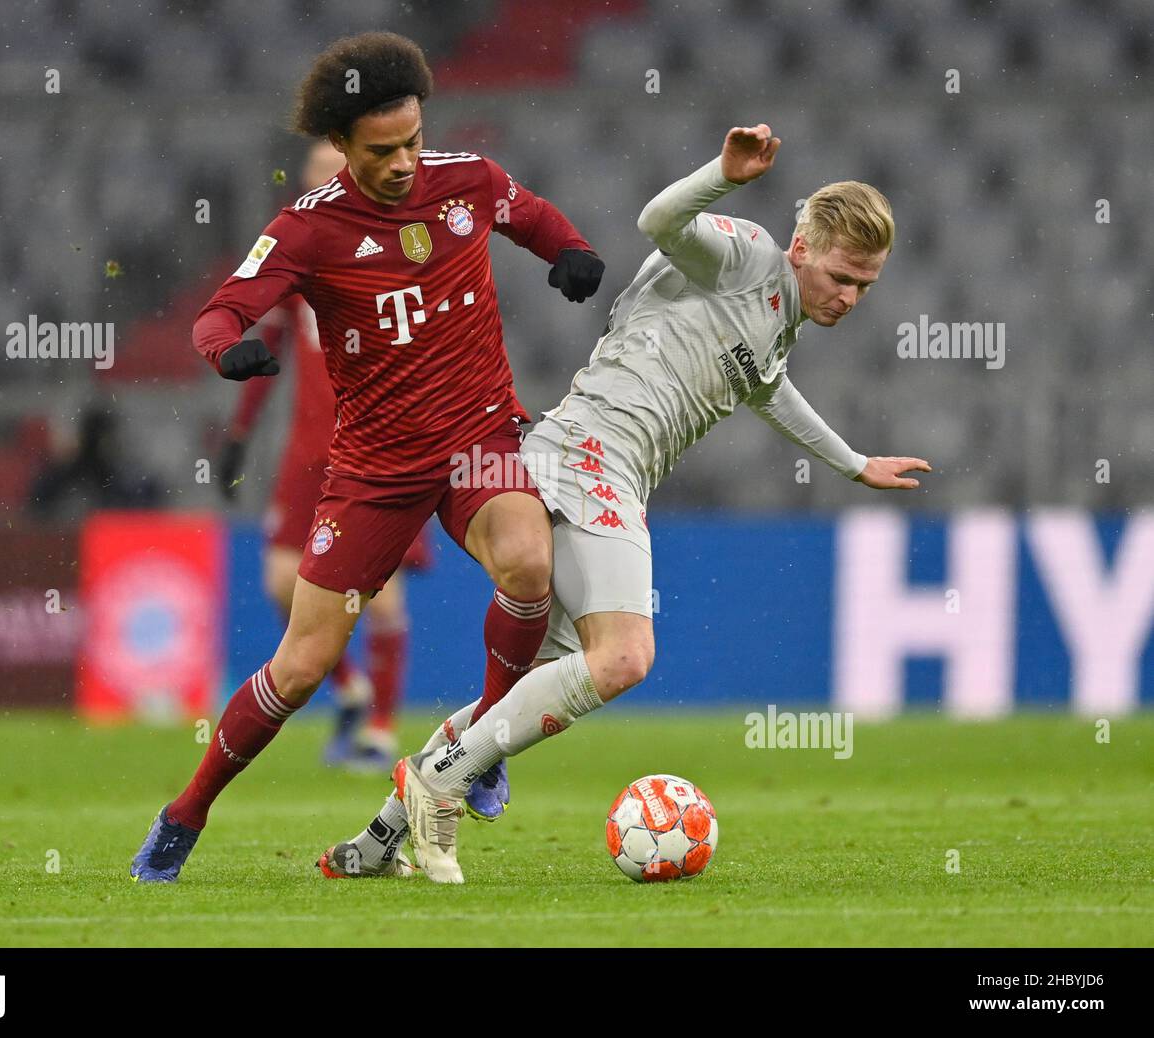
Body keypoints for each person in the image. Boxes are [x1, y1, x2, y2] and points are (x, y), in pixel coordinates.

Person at [323, 123, 932, 884]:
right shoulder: (744, 254)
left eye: (865, 287)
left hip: (600, 468)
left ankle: (376, 843)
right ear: (803, 247)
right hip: (590, 455)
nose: (850, 297)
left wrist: (852, 464)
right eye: (843, 277)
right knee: (623, 656)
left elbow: (767, 388)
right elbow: (658, 221)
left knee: (523, 687)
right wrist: (724, 172)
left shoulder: (779, 322)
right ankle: (439, 783)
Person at [130, 31, 604, 883]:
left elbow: (532, 217)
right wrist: (227, 350)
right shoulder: (306, 230)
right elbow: (220, 313)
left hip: (479, 439)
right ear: (342, 146)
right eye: (381, 151)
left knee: (532, 564)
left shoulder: (468, 182)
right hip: (374, 470)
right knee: (303, 665)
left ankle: (484, 742)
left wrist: (570, 252)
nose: (402, 163)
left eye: (412, 142)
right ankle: (184, 812)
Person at [217, 140, 432, 772]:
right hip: (310, 449)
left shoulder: (396, 251)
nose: (324, 185)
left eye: (335, 173)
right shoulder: (297, 258)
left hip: (378, 444)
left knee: (381, 596)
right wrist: (238, 434)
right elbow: (269, 352)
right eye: (315, 175)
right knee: (283, 582)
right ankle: (350, 690)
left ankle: (382, 734)